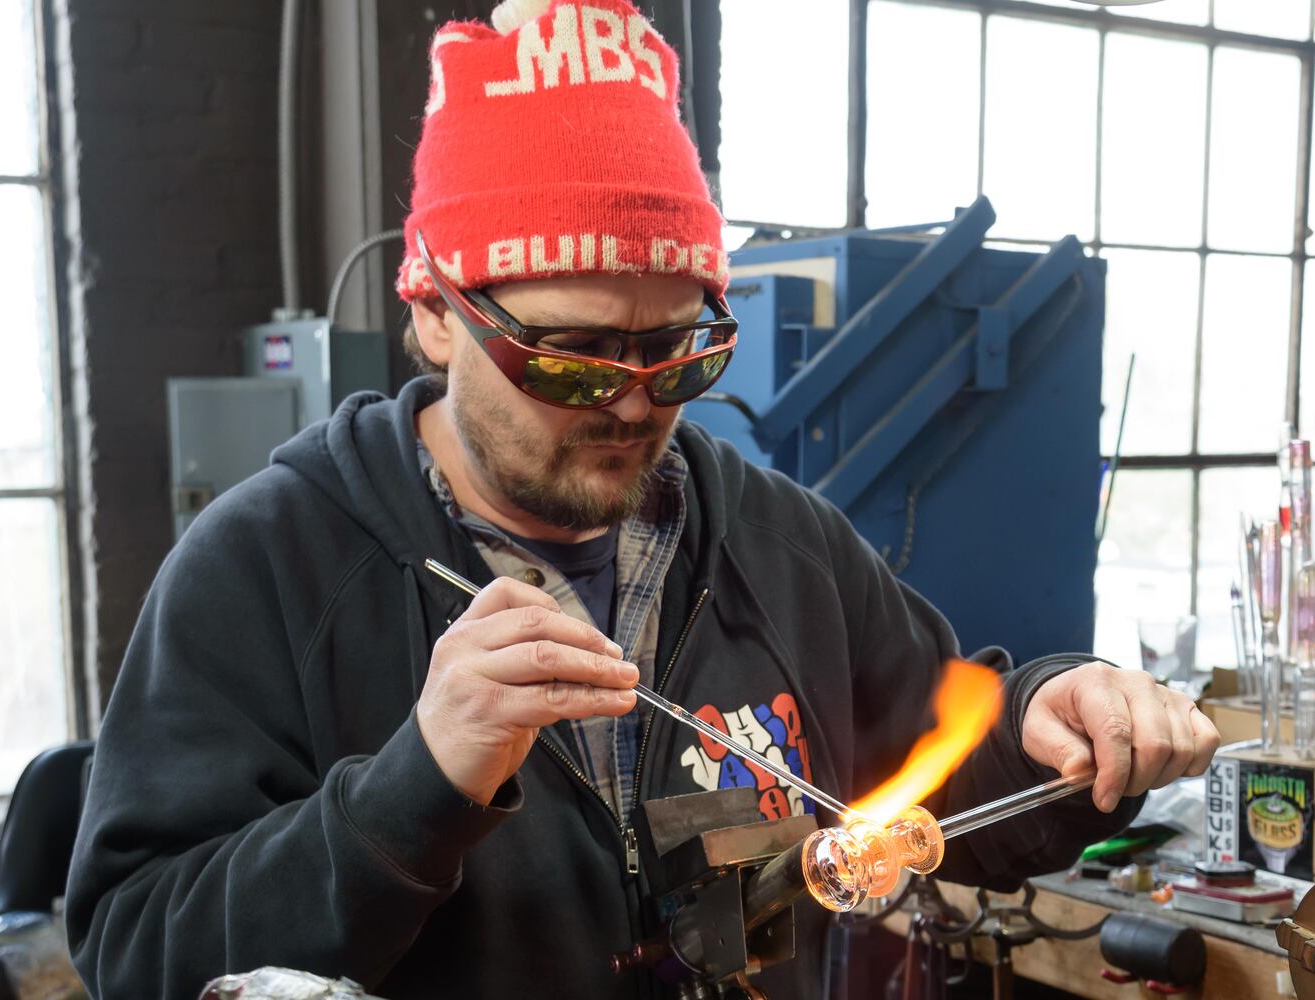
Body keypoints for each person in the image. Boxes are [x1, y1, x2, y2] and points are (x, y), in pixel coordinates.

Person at [65, 1, 1220, 997]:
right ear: (431, 313)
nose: (629, 408)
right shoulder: (267, 569)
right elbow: (135, 952)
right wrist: (416, 784)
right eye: (567, 358)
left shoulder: (778, 545)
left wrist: (1048, 720)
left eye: (675, 358)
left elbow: (942, 763)